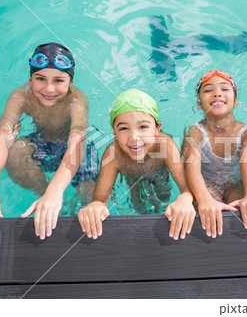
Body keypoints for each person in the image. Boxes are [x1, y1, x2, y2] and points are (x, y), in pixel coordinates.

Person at [0, 42, 98, 240]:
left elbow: (77, 141)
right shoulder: (20, 97)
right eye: (40, 79)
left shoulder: (77, 100)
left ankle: (62, 200)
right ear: (30, 79)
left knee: (89, 197)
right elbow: (3, 137)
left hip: (75, 149)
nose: (49, 88)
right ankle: (45, 197)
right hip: (43, 144)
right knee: (16, 151)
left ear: (70, 82)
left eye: (59, 80)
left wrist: (57, 189)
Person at [78, 89, 196, 240]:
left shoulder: (165, 145)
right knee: (139, 207)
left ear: (157, 129)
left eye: (143, 127)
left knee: (164, 196)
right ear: (114, 133)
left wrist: (185, 198)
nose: (134, 138)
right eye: (124, 128)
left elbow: (187, 187)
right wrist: (96, 206)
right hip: (132, 175)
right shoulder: (113, 154)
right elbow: (101, 199)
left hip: (159, 171)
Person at [182, 70, 247, 238]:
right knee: (207, 206)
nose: (217, 93)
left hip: (235, 184)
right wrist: (204, 198)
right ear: (199, 104)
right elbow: (191, 166)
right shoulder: (195, 131)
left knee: (242, 205)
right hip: (207, 184)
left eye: (225, 89)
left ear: (236, 102)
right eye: (208, 90)